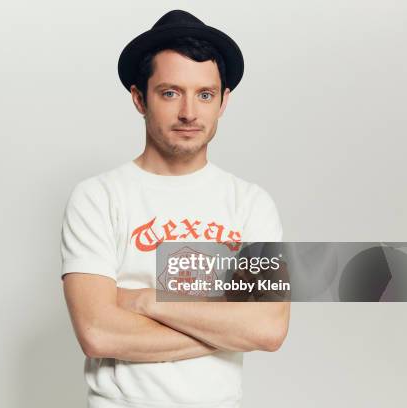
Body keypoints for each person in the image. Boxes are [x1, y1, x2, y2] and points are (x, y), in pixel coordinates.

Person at [60, 9, 290, 408]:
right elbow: (98, 333)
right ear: (139, 98)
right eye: (170, 92)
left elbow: (269, 329)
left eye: (205, 94)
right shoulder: (97, 197)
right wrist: (227, 328)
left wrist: (145, 300)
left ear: (223, 101)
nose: (189, 112)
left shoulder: (252, 203)